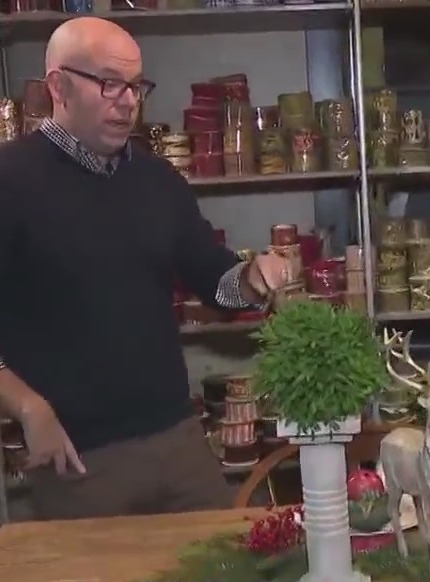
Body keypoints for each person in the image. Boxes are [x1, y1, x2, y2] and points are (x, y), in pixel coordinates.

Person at [0, 17, 296, 520]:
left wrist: (251, 278)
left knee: (226, 567)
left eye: (136, 86)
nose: (128, 101)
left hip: (178, 441)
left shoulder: (158, 180)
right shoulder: (10, 180)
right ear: (58, 86)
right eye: (110, 84)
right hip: (77, 458)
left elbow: (217, 284)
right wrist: (28, 407)